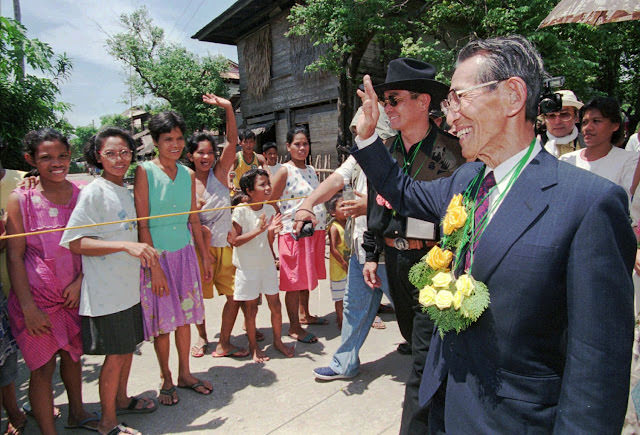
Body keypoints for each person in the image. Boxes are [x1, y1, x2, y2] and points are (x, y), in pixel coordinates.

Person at [351, 35, 635, 433]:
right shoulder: (467, 179)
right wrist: (366, 138)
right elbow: (405, 192)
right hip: (445, 405)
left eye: (458, 98)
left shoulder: (589, 204)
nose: (450, 117)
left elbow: (598, 365)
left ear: (512, 95)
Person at [358, 57, 467, 434]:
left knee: (422, 361)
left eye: (394, 99)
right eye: (385, 101)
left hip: (437, 265)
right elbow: (376, 203)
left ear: (423, 102)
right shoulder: (383, 151)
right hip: (397, 263)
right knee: (422, 349)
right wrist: (372, 252)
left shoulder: (455, 154)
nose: (387, 108)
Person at [60, 127, 158, 435]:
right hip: (106, 294)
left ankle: (122, 399)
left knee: (127, 348)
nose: (119, 159)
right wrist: (125, 246)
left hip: (127, 288)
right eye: (111, 154)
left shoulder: (122, 188)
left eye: (125, 153)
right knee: (115, 357)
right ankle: (107, 423)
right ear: (97, 157)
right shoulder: (94, 191)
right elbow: (75, 242)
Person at [6, 129, 99, 433]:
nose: (56, 163)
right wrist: (29, 307)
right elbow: (15, 256)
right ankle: (48, 430)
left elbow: (91, 242)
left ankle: (77, 412)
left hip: (73, 295)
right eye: (45, 158)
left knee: (73, 357)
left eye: (62, 156)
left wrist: (81, 280)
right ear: (30, 160)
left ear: (70, 157)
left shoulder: (81, 194)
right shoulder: (20, 199)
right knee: (43, 368)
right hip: (37, 302)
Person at [134, 111, 213, 406]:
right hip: (158, 259)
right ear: (156, 141)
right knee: (163, 324)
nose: (175, 144)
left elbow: (193, 220)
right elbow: (143, 224)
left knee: (185, 320)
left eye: (180, 139)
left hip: (185, 256)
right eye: (168, 139)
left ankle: (185, 374)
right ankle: (166, 377)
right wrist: (154, 267)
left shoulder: (189, 175)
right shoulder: (145, 172)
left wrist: (204, 257)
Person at [185, 94, 250, 359]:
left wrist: (227, 108)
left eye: (210, 152)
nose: (206, 156)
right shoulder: (184, 181)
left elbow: (232, 141)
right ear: (190, 155)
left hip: (224, 246)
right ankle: (201, 337)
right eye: (200, 152)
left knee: (235, 295)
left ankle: (224, 341)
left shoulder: (220, 173)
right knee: (196, 298)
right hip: (198, 250)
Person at [229, 169, 295, 362]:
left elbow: (267, 240)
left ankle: (277, 341)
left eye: (268, 183)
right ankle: (254, 347)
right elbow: (234, 240)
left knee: (275, 305)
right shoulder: (240, 211)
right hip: (247, 268)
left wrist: (271, 231)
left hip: (266, 265)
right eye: (262, 185)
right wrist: (259, 230)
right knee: (251, 309)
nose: (268, 188)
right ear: (249, 191)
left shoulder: (269, 209)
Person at [271, 126, 327, 343]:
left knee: (305, 276)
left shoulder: (312, 170)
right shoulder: (284, 170)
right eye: (297, 144)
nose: (302, 148)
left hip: (313, 232)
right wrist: (285, 219)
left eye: (305, 143)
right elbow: (271, 200)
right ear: (288, 146)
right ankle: (294, 326)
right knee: (294, 281)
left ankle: (305, 314)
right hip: (292, 234)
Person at [560, 97, 638, 199]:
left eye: (596, 121)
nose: (588, 128)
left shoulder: (630, 161)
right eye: (584, 122)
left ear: (615, 125)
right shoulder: (566, 160)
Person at [326, 192, 349, 329]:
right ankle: (340, 320)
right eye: (342, 206)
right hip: (339, 269)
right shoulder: (334, 228)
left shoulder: (348, 224)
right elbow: (333, 249)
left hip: (347, 268)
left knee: (348, 296)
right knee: (339, 298)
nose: (345, 208)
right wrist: (343, 263)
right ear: (333, 212)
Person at [539, 89, 585, 157]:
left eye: (564, 114)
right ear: (544, 119)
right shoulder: (533, 147)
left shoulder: (591, 145)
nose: (557, 122)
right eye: (551, 115)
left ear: (576, 117)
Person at [229, 129, 267, 194]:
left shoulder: (260, 158)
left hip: (252, 192)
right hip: (238, 192)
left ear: (254, 142)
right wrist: (230, 182)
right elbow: (230, 172)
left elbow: (267, 172)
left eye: (251, 142)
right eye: (246, 142)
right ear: (240, 143)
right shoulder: (236, 158)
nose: (248, 145)